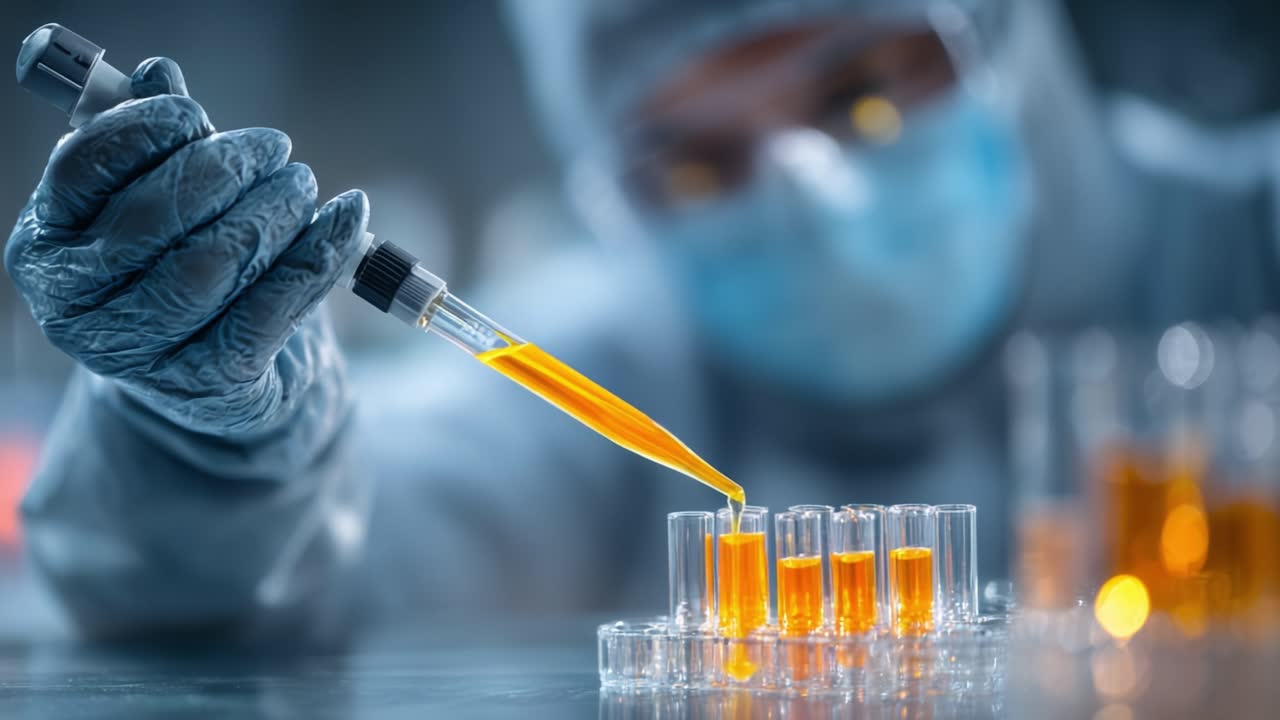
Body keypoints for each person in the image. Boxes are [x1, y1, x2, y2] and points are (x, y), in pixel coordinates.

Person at [4, 0, 1274, 643]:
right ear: (612, 190)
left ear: (999, 37)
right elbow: (317, 550)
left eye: (862, 96)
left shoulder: (1247, 244)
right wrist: (210, 431)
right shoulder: (608, 369)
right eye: (696, 162)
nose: (805, 187)